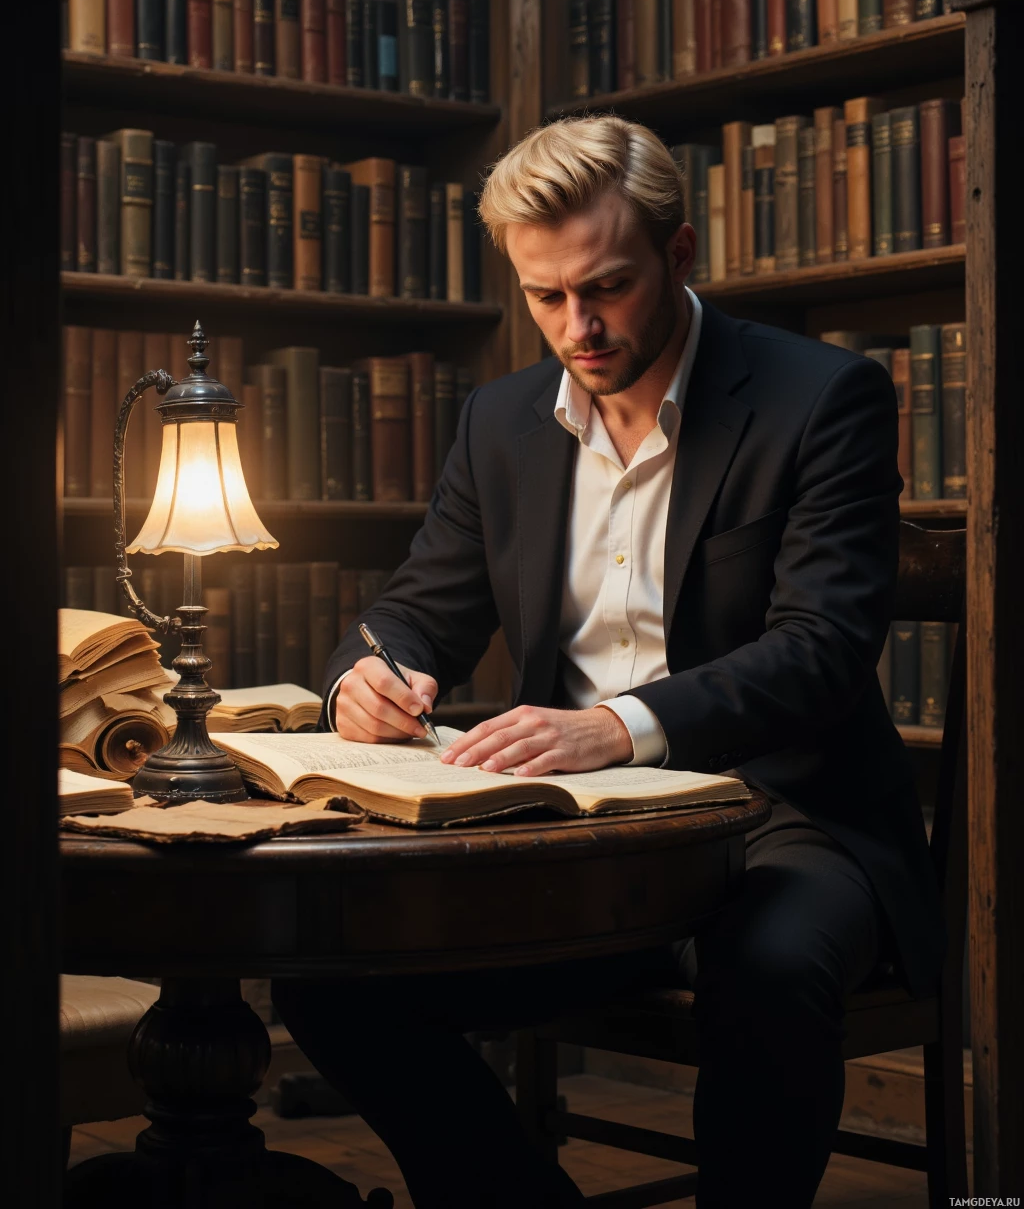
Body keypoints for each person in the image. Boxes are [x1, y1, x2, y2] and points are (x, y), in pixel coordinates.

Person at [273, 116, 943, 1209]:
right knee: (335, 982)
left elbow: (822, 652)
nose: (576, 328)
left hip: (785, 813)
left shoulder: (821, 397)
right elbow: (414, 612)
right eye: (545, 298)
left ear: (679, 258)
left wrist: (618, 723)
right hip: (577, 838)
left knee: (768, 978)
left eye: (607, 288)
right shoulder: (499, 425)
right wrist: (369, 675)